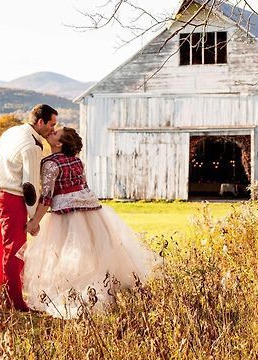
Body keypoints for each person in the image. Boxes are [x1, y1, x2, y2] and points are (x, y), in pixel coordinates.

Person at [21, 127, 159, 318]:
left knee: (66, 255)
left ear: (59, 144)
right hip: (90, 212)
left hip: (66, 215)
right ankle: (98, 292)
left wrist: (35, 221)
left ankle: (72, 296)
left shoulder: (51, 164)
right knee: (92, 255)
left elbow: (47, 197)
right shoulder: (77, 161)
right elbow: (83, 185)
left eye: (55, 134)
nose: (50, 133)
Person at [0, 104, 57, 311]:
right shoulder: (33, 146)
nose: (52, 129)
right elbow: (30, 186)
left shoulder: (10, 132)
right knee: (14, 252)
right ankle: (15, 301)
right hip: (12, 200)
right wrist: (33, 220)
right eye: (51, 124)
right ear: (40, 121)